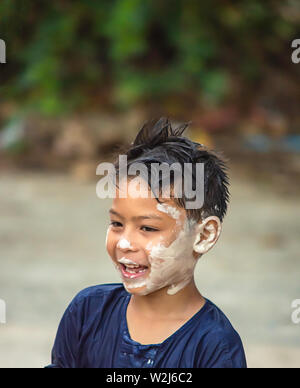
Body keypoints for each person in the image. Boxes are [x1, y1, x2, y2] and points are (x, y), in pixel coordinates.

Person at [47, 118, 247, 368]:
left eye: (148, 228)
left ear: (204, 235)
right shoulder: (87, 312)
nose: (125, 243)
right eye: (117, 224)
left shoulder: (214, 347)